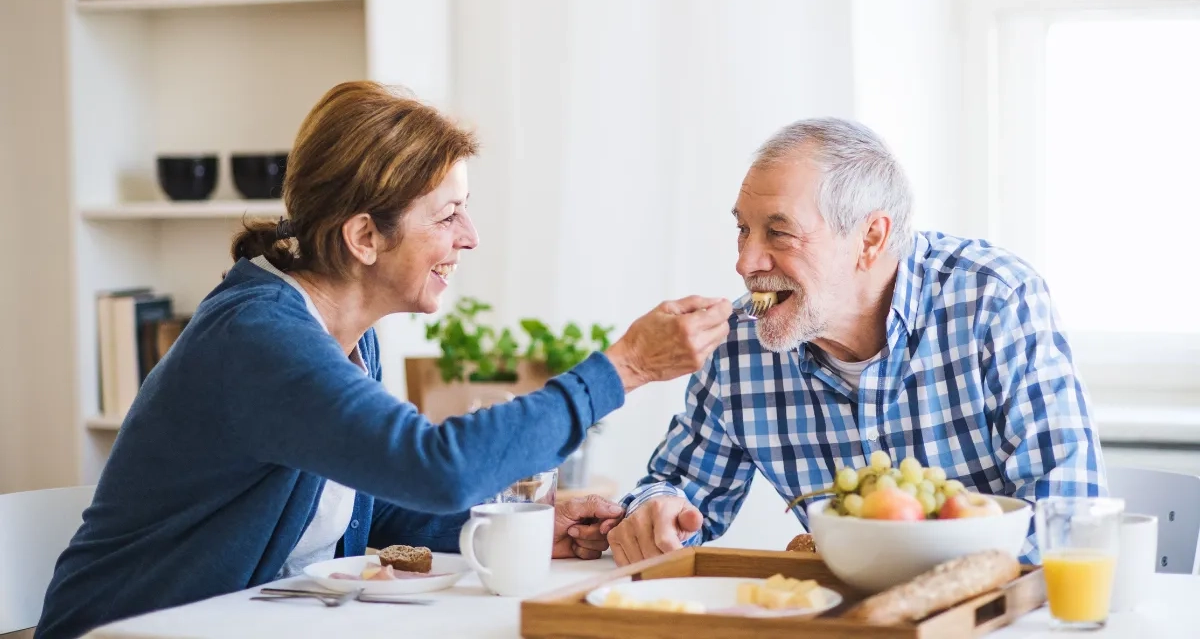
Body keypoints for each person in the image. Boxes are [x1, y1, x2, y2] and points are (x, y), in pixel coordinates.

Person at [37, 82, 732, 639]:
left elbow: (383, 515)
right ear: (364, 236)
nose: (471, 237)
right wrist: (627, 368)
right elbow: (436, 466)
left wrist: (513, 525)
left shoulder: (349, 335)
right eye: (448, 214)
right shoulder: (256, 338)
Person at [606, 117, 1104, 567]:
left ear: (870, 239)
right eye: (743, 229)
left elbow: (1067, 517)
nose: (746, 262)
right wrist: (656, 511)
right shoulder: (739, 343)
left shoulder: (993, 299)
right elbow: (677, 490)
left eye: (779, 233)